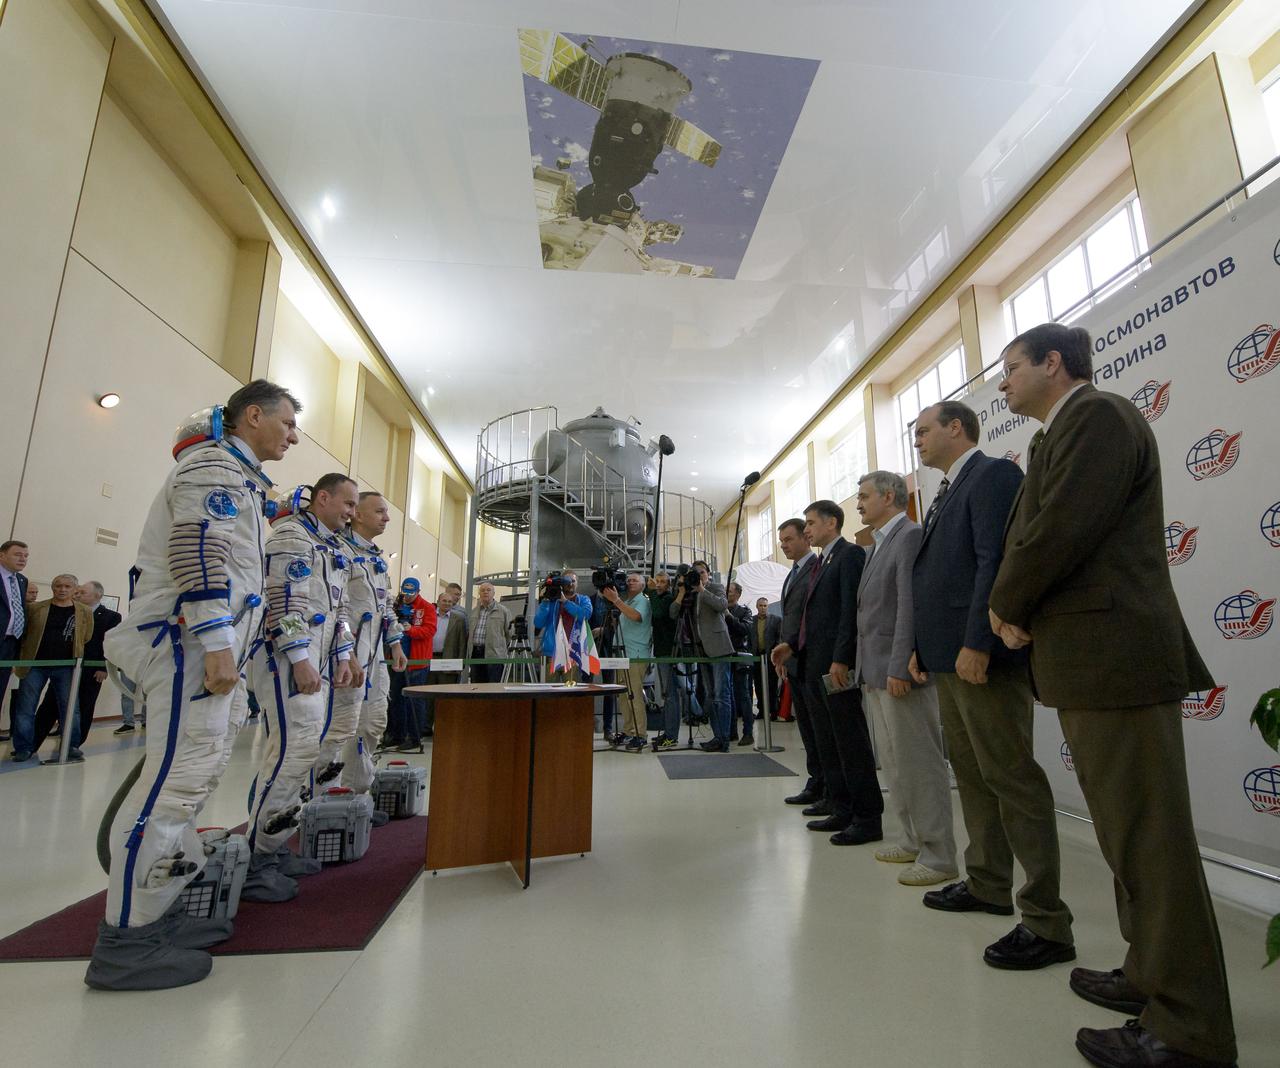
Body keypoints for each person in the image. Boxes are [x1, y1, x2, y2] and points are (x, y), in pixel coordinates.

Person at [989, 323, 1237, 1068]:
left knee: (1150, 846)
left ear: (1053, 364)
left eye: (1010, 369)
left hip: (1116, 661)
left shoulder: (1097, 417)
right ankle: (1147, 976)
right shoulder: (1060, 434)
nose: (1001, 385)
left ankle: (1189, 1029)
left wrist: (1006, 604)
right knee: (1126, 839)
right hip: (1094, 663)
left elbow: (1060, 528)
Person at [87, 380, 300, 991]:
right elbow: (198, 550)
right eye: (286, 423)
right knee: (169, 790)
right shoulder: (212, 466)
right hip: (185, 644)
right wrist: (215, 641)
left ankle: (160, 913)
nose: (291, 436)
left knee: (190, 783)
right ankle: (127, 942)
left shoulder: (246, 481)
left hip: (209, 649)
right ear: (251, 415)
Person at [908, 399, 1074, 970]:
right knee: (974, 774)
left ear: (958, 428)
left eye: (925, 430)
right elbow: (935, 577)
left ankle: (1047, 918)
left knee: (1010, 776)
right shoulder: (945, 489)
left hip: (980, 655)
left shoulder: (994, 474)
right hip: (947, 656)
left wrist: (979, 639)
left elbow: (994, 562)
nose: (918, 441)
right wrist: (920, 649)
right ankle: (987, 883)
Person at [244, 473, 357, 903]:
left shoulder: (333, 549)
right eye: (347, 504)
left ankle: (273, 846)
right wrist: (299, 656)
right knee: (293, 753)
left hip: (320, 662)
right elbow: (283, 599)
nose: (351, 513)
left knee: (302, 753)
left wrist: (344, 654)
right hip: (287, 662)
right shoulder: (291, 536)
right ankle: (257, 858)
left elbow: (340, 609)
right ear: (322, 498)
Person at [854, 471, 956, 886]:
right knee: (895, 765)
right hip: (876, 670)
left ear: (889, 496)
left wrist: (900, 665)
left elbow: (908, 607)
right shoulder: (879, 543)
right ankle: (912, 839)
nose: (858, 504)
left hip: (899, 671)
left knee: (919, 764)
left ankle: (939, 855)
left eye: (864, 496)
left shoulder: (909, 536)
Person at [772, 502, 882, 845]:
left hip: (835, 666)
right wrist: (792, 646)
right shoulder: (823, 561)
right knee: (829, 741)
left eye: (810, 523)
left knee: (850, 741)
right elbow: (812, 616)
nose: (806, 530)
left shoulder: (848, 556)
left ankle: (866, 817)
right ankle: (841, 805)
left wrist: (843, 659)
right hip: (813, 662)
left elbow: (850, 611)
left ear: (831, 523)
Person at [319, 491, 407, 820]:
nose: (386, 518)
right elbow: (335, 607)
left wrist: (395, 644)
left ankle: (357, 796)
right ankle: (326, 800)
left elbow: (386, 608)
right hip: (345, 656)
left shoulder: (377, 560)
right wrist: (345, 650)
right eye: (380, 511)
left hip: (374, 657)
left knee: (372, 725)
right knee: (340, 728)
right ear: (357, 514)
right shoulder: (338, 550)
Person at [10, 573, 93, 763]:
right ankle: (23, 747)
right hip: (35, 666)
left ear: (74, 589)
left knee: (71, 708)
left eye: (66, 587)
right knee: (26, 707)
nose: (62, 590)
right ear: (53, 588)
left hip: (66, 667)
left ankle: (71, 745)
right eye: (57, 586)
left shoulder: (84, 611)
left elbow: (86, 636)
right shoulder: (35, 608)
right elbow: (24, 634)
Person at [772, 519, 823, 808]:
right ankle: (816, 781)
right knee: (807, 728)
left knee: (819, 729)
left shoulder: (816, 568)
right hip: (793, 660)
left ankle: (825, 784)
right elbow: (789, 618)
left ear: (805, 537)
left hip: (811, 658)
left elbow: (811, 617)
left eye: (789, 539)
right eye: (781, 541)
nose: (784, 545)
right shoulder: (793, 573)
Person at [670, 561, 733, 752]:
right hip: (701, 650)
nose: (699, 575)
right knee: (711, 695)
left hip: (719, 647)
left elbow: (722, 605)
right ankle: (717, 736)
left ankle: (724, 739)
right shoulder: (688, 592)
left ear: (708, 573)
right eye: (695, 573)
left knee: (722, 695)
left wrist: (702, 589)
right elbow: (674, 614)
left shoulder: (715, 587)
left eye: (702, 572)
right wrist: (682, 590)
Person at [600, 571, 652, 751]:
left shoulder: (643, 600)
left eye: (635, 580)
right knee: (624, 695)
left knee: (634, 695)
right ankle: (629, 730)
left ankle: (640, 734)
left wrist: (616, 601)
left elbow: (636, 617)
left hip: (636, 654)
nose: (630, 582)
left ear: (643, 585)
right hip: (622, 654)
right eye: (628, 580)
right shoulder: (627, 601)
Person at [411, 587, 466, 745]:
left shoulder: (459, 619)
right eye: (444, 600)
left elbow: (461, 643)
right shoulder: (429, 615)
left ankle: (444, 728)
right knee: (427, 695)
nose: (447, 603)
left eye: (450, 601)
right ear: (438, 601)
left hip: (447, 662)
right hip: (428, 659)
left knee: (445, 697)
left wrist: (460, 665)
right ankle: (425, 727)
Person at [390, 577, 438, 751]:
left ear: (418, 591)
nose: (408, 597)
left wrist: (411, 630)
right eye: (405, 593)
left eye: (411, 593)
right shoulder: (396, 606)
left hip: (417, 662)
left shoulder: (427, 607)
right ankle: (397, 735)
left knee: (414, 701)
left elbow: (430, 630)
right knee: (396, 698)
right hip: (397, 660)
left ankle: (415, 737)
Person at [645, 572, 689, 750]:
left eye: (663, 582)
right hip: (662, 651)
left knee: (671, 695)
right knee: (668, 694)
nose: (659, 585)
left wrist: (652, 592)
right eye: (657, 581)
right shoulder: (660, 597)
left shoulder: (668, 599)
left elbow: (658, 612)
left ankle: (672, 735)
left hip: (669, 652)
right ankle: (669, 732)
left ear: (669, 585)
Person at [0, 539, 33, 743]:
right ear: (2, 555)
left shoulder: (21, 580)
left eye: (26, 556)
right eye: (18, 554)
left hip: (10, 643)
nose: (23, 559)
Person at [532, 570, 593, 682]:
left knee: (571, 694)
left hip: (573, 653)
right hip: (551, 653)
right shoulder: (551, 601)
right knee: (549, 694)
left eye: (573, 581)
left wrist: (565, 602)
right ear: (561, 584)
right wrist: (545, 601)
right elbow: (538, 623)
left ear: (577, 583)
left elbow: (584, 615)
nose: (570, 584)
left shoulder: (584, 599)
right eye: (567, 581)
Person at [724, 581, 754, 746]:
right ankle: (731, 731)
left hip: (740, 656)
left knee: (743, 695)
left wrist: (729, 616)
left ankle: (748, 733)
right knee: (728, 695)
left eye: (729, 591)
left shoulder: (744, 611)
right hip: (725, 654)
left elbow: (745, 630)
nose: (727, 594)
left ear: (737, 594)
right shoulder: (720, 611)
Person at [468, 582, 510, 684]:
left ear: (494, 593)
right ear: (479, 593)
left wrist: (500, 648)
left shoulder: (503, 611)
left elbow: (509, 634)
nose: (485, 592)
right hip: (476, 654)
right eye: (482, 590)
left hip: (494, 655)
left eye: (488, 590)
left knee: (493, 686)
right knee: (476, 686)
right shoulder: (474, 611)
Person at [749, 596, 776, 722]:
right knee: (759, 684)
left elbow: (779, 637)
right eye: (760, 605)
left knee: (772, 684)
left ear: (768, 606)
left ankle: (773, 710)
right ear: (757, 606)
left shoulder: (776, 620)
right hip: (756, 656)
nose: (763, 608)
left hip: (770, 657)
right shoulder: (751, 620)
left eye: (765, 605)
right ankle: (762, 710)